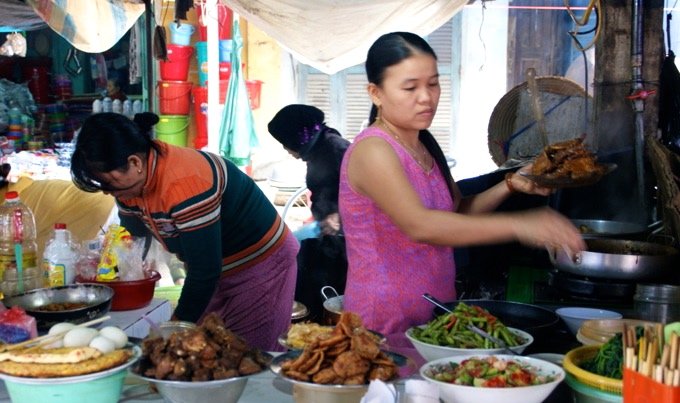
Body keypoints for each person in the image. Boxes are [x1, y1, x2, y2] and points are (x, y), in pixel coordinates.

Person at [338, 32, 586, 351]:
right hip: (383, 323)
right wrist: (521, 225)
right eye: (410, 87)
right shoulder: (373, 150)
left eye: (433, 83)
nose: (426, 97)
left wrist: (510, 184)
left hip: (435, 315)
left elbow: (455, 214)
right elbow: (422, 225)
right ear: (376, 93)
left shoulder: (423, 144)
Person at [70, 112, 299, 351]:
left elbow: (205, 271)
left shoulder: (185, 183)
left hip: (261, 266)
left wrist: (176, 326)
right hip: (216, 270)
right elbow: (133, 238)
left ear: (135, 163)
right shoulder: (131, 184)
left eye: (108, 183)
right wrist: (109, 272)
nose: (108, 192)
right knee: (209, 349)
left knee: (250, 356)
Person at [268, 104, 349, 240]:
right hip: (329, 231)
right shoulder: (318, 151)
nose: (285, 148)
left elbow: (367, 193)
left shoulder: (337, 150)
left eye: (284, 141)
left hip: (347, 234)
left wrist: (339, 215)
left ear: (294, 137)